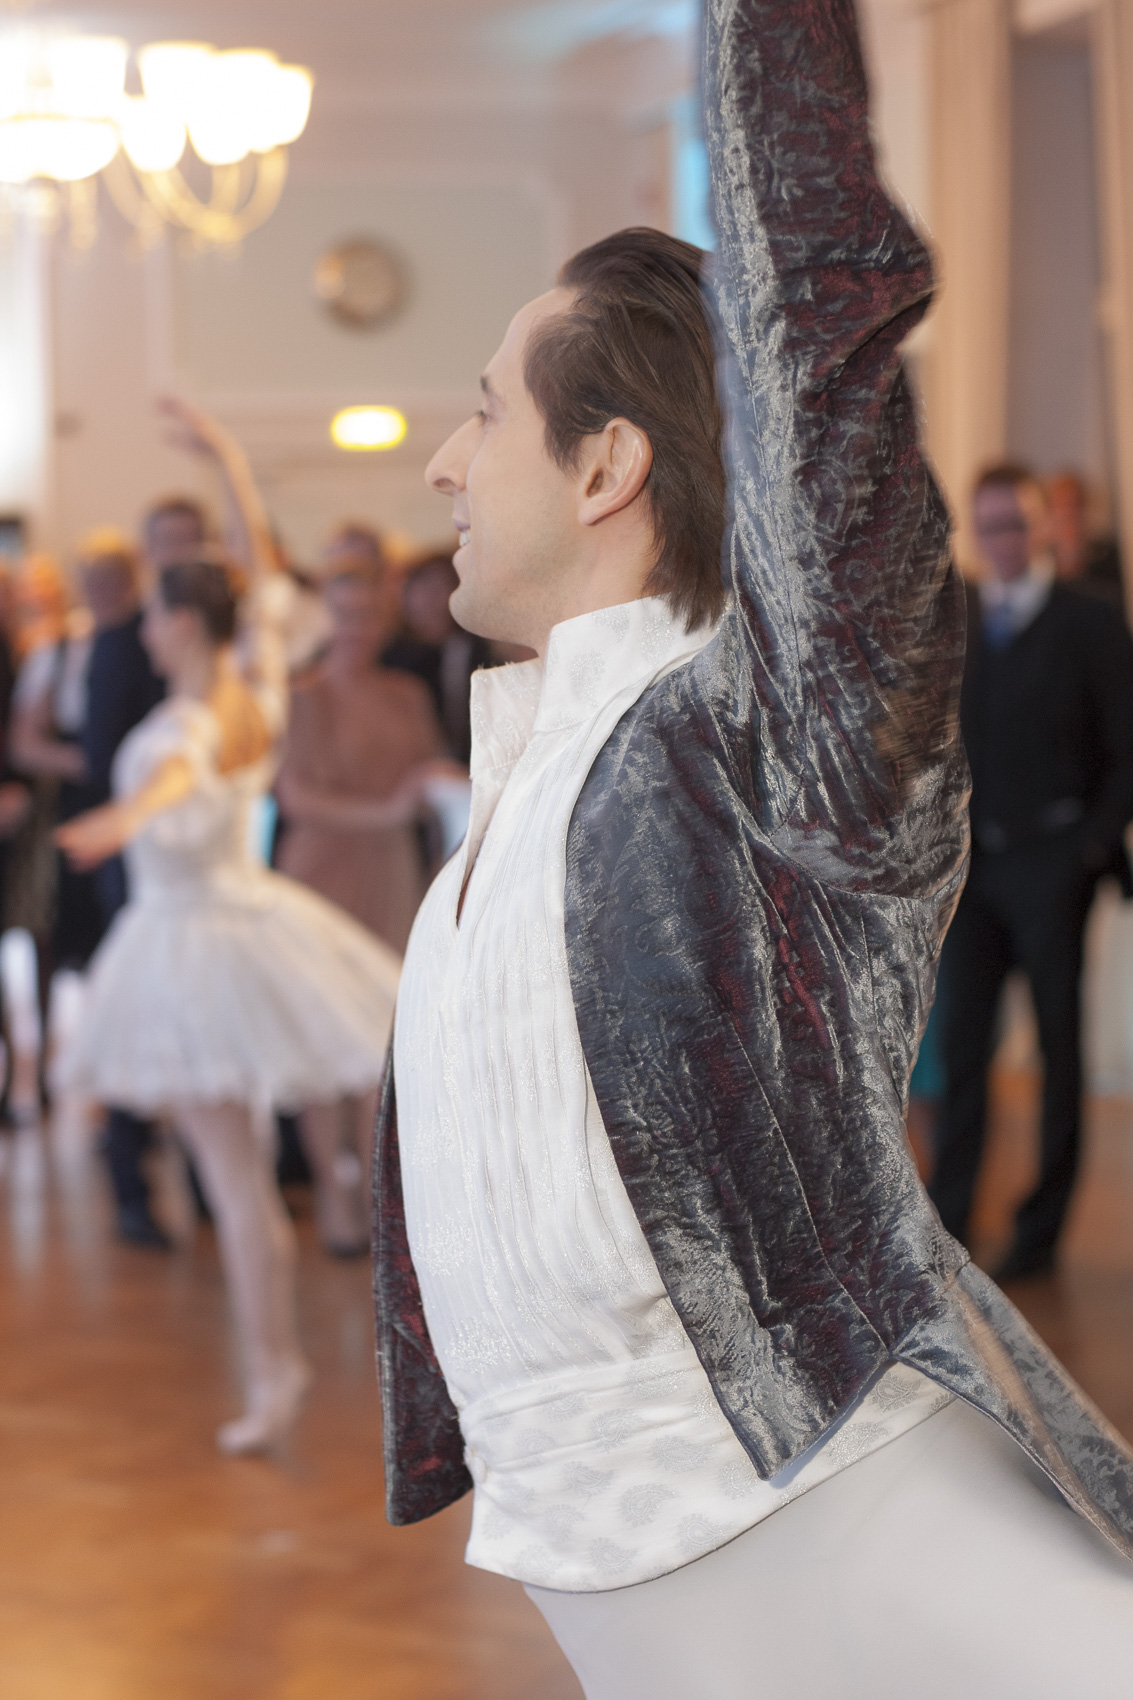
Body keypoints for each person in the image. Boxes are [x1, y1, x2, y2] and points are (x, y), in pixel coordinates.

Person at [372, 2, 1133, 1693]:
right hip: (616, 1571)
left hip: (832, 1511)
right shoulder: (528, 771)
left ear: (606, 465)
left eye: (482, 413)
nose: (440, 463)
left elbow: (822, 332)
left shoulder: (753, 741)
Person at [54, 559, 401, 1454]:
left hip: (192, 945)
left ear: (182, 623)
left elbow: (178, 774)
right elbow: (267, 612)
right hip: (236, 926)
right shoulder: (256, 694)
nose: (145, 629)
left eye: (155, 614)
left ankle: (274, 1373)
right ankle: (273, 1368)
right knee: (238, 1178)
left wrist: (124, 818)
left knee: (234, 1179)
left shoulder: (194, 722)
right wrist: (229, 478)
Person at [929, 464, 1133, 1281]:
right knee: (962, 1046)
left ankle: (1039, 1232)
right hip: (973, 870)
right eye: (987, 528)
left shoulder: (1090, 621)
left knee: (1055, 1050)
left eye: (1014, 524)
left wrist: (1088, 847)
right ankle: (947, 1224)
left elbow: (1125, 748)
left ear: (1041, 527)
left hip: (1053, 866)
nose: (1001, 541)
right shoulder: (959, 618)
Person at [274, 527, 447, 1255]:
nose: (356, 629)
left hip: (392, 875)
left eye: (368, 615)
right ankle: (334, 1191)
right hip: (320, 874)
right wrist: (387, 810)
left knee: (383, 1035)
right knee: (323, 1037)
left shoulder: (407, 693)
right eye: (343, 615)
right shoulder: (301, 697)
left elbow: (432, 778)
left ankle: (379, 1195)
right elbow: (295, 796)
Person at [383, 553, 494, 762]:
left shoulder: (482, 650)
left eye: (439, 590)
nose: (431, 603)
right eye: (423, 591)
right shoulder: (392, 657)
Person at [1046, 469, 1123, 601]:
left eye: (1074, 504)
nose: (1068, 513)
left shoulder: (1107, 554)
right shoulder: (1042, 559)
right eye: (1061, 505)